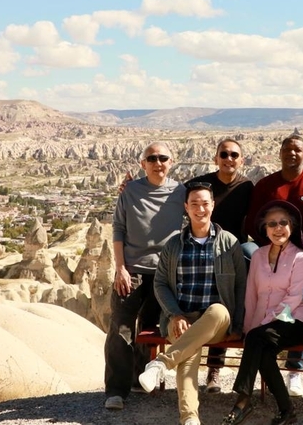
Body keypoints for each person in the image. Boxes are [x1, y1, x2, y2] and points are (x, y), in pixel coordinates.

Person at [138, 183, 247, 425]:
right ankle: (190, 418)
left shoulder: (229, 243)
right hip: (180, 319)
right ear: (186, 208)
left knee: (218, 310)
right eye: (194, 204)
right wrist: (175, 315)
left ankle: (161, 363)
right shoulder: (174, 245)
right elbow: (160, 284)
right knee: (188, 354)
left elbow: (241, 286)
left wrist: (237, 324)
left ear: (213, 206)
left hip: (216, 322)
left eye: (205, 203)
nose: (200, 209)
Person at [244, 133, 303, 396]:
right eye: (288, 149)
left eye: (297, 150)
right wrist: (271, 245)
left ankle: (295, 368)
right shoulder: (266, 185)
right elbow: (253, 221)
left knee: (301, 300)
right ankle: (254, 327)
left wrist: (302, 248)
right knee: (245, 254)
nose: (292, 153)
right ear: (280, 152)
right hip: (270, 249)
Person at [104, 142, 186, 411]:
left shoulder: (180, 192)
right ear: (143, 164)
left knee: (149, 327)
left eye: (163, 157)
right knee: (122, 328)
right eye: (152, 158)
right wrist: (120, 268)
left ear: (171, 162)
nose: (158, 162)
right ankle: (116, 390)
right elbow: (118, 229)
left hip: (165, 272)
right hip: (133, 271)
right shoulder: (130, 191)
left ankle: (139, 379)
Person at [221, 200, 303, 425]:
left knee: (258, 339)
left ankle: (242, 401)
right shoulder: (258, 256)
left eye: (283, 222)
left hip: (292, 319)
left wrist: (262, 327)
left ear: (291, 226)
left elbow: (294, 298)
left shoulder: (300, 258)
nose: (278, 228)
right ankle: (286, 410)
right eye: (272, 224)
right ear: (265, 228)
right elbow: (251, 295)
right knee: (263, 352)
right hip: (263, 326)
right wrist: (249, 327)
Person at [186, 138, 254, 394]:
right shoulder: (201, 184)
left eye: (234, 155)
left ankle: (214, 369)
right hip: (201, 250)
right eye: (224, 154)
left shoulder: (247, 186)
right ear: (216, 158)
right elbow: (170, 201)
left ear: (241, 160)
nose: (229, 159)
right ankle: (190, 366)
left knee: (226, 303)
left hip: (231, 252)